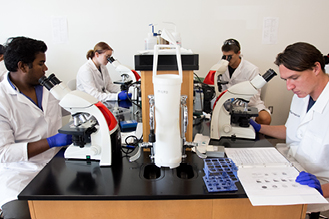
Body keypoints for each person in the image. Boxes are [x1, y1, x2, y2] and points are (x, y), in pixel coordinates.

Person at [251, 42, 329, 217]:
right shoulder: (302, 95)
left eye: (294, 78)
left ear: (316, 68)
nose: (289, 87)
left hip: (319, 187)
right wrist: (259, 127)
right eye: (286, 80)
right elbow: (292, 131)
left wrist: (323, 189)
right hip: (290, 172)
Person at [0, 36, 72, 219]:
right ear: (22, 66)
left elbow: (67, 106)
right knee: (22, 215)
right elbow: (4, 153)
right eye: (41, 64)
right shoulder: (2, 100)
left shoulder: (48, 87)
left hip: (57, 165)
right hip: (21, 174)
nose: (46, 69)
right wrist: (51, 142)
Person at [205, 38, 272, 125]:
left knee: (265, 118)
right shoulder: (221, 66)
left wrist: (236, 101)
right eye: (224, 56)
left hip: (249, 104)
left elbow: (254, 97)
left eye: (230, 56)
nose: (227, 59)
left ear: (238, 53)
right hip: (225, 103)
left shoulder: (251, 69)